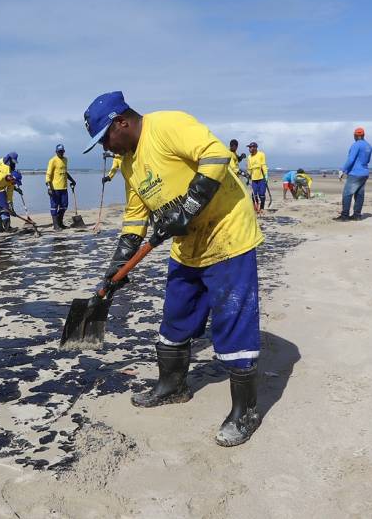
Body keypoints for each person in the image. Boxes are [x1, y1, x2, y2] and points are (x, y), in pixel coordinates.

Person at [83, 91, 264, 447]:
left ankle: (245, 411)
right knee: (176, 315)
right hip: (187, 245)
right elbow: (135, 216)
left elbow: (215, 154)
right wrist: (117, 265)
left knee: (232, 321)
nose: (106, 146)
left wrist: (190, 205)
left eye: (106, 138)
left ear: (122, 122)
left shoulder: (167, 124)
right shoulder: (129, 165)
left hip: (227, 235)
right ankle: (172, 386)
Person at [335, 127, 372, 221]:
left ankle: (344, 216)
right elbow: (367, 160)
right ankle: (357, 215)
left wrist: (343, 170)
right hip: (365, 173)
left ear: (355, 135)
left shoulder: (356, 145)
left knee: (347, 194)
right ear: (363, 135)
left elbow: (351, 159)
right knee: (359, 194)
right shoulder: (369, 146)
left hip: (355, 173)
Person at [46, 144, 77, 230]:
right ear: (56, 152)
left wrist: (72, 180)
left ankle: (60, 223)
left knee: (64, 206)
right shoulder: (52, 160)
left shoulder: (65, 160)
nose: (61, 153)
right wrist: (49, 188)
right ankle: (56, 225)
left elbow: (65, 172)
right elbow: (48, 175)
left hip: (64, 187)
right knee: (54, 206)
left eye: (62, 151)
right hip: (54, 188)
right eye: (59, 151)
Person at [0, 152, 19, 233]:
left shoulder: (1, 160)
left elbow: (10, 185)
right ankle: (7, 228)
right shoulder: (7, 171)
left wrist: (15, 187)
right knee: (5, 208)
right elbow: (10, 189)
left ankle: (0, 228)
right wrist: (10, 202)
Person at [245, 142, 268, 212]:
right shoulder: (249, 157)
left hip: (261, 178)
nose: (249, 149)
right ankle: (256, 207)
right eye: (249, 147)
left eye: (250, 147)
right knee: (254, 194)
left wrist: (266, 175)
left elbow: (263, 165)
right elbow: (249, 168)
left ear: (255, 147)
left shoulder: (261, 154)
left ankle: (262, 208)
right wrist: (248, 178)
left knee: (261, 194)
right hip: (254, 179)